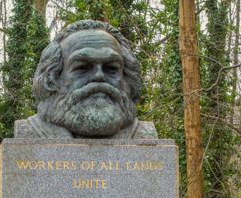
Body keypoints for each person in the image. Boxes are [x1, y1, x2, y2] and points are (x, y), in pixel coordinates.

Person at [14, 20, 157, 139]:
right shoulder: (29, 132)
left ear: (127, 79)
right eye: (82, 67)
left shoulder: (143, 135)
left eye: (111, 68)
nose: (99, 76)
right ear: (52, 78)